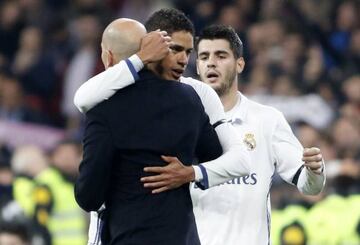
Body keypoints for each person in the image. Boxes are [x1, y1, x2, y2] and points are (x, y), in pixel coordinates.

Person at [75, 21, 326, 244]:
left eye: (220, 56)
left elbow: (308, 184)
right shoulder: (182, 106)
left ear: (240, 63)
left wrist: (315, 171)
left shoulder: (266, 120)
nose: (211, 63)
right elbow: (84, 97)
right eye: (204, 56)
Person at [74, 17, 249, 245]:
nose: (184, 60)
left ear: (107, 56)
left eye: (188, 52)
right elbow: (214, 153)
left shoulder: (103, 108)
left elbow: (89, 196)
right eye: (175, 49)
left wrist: (191, 173)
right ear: (154, 48)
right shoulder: (191, 100)